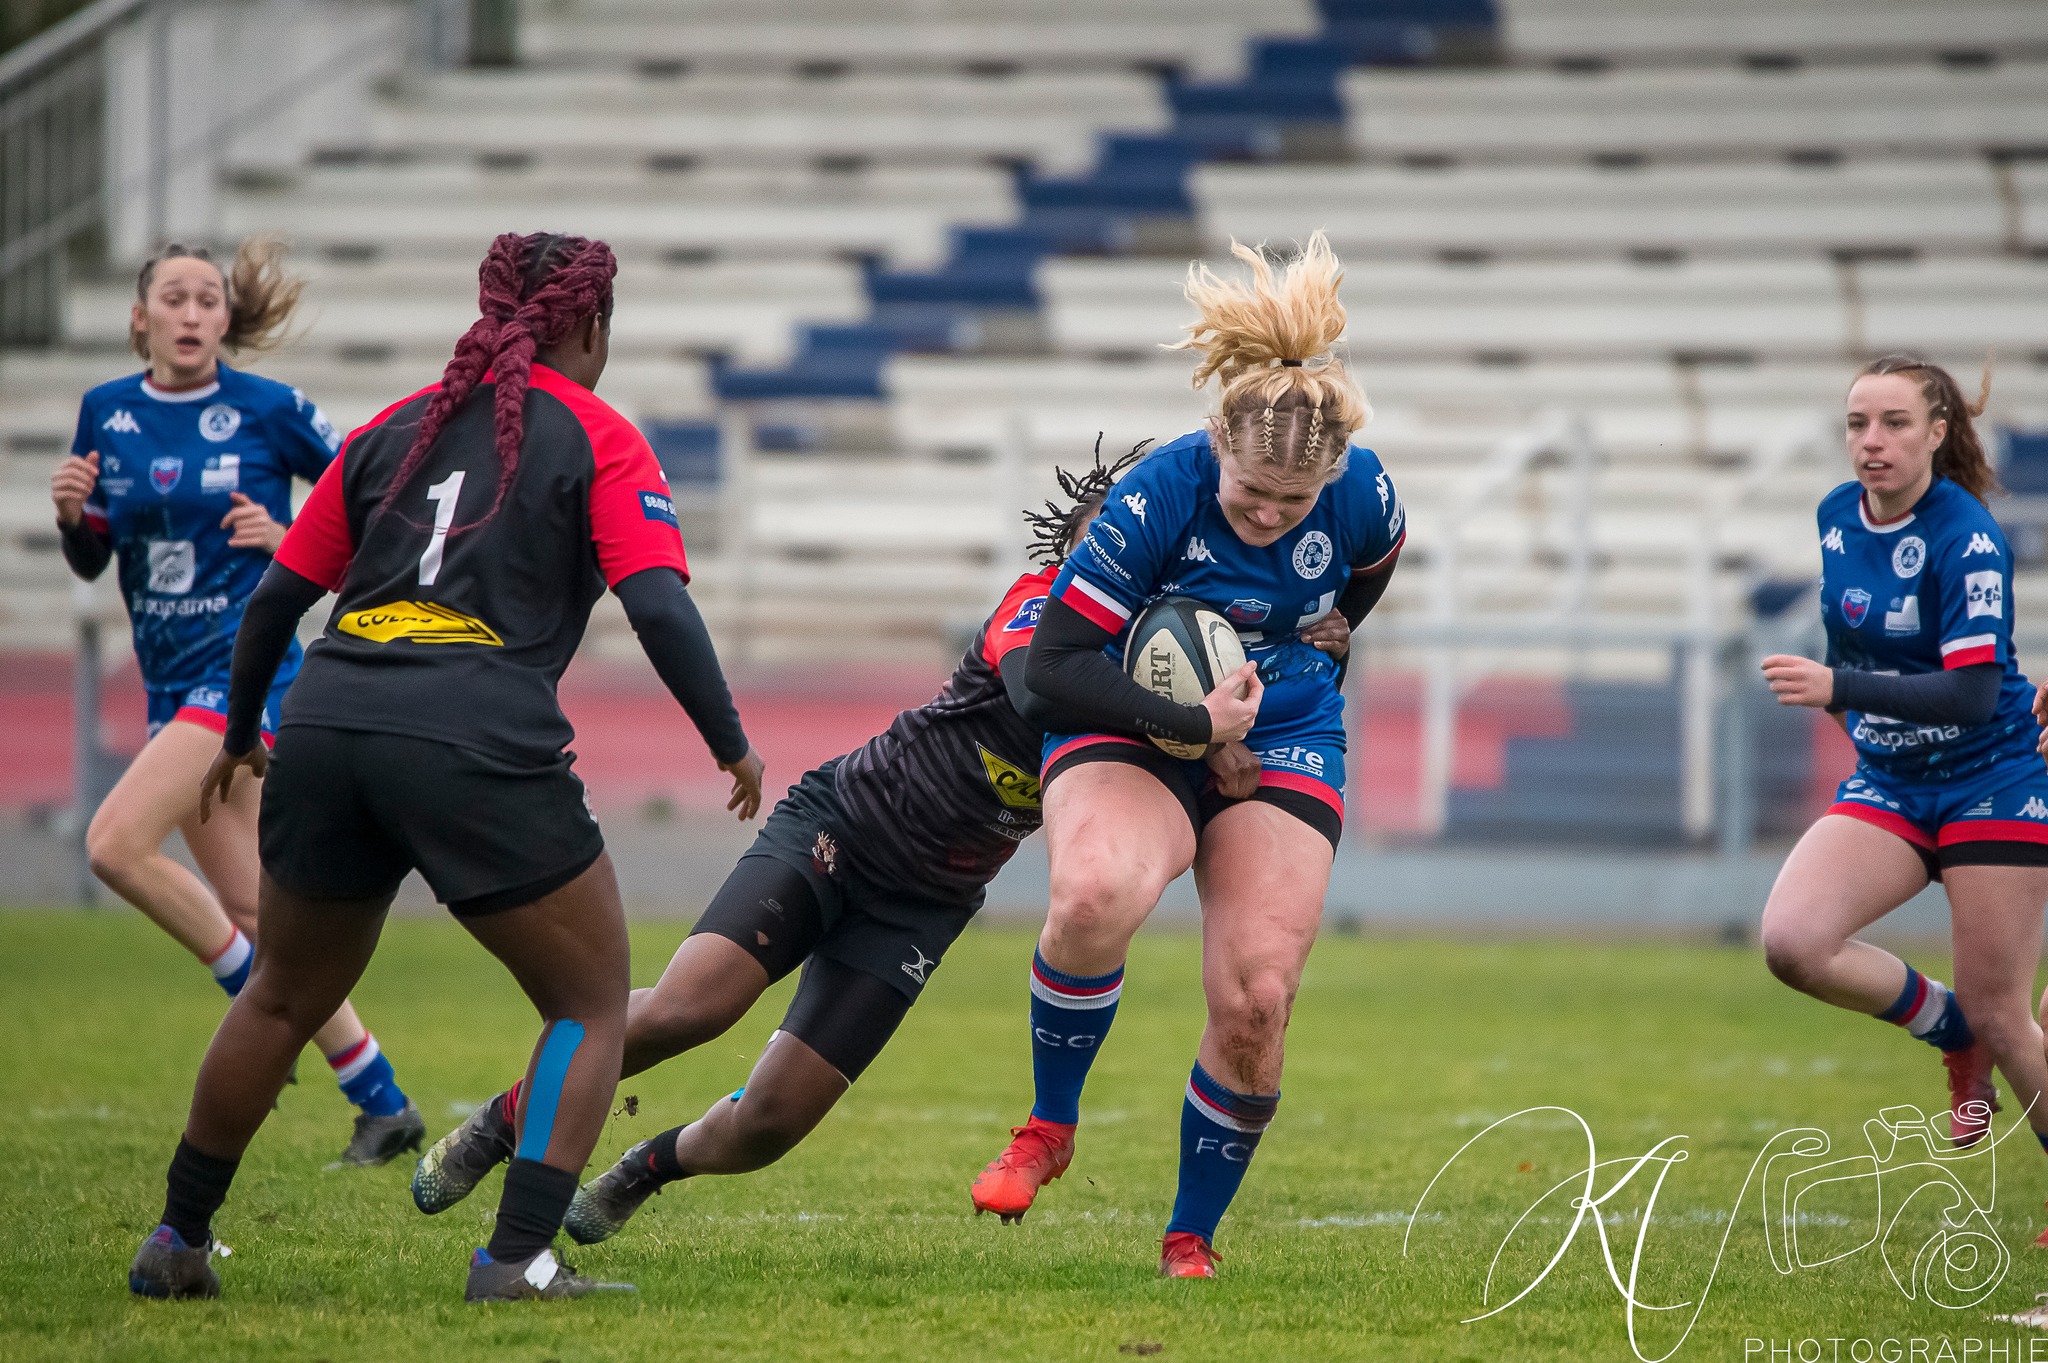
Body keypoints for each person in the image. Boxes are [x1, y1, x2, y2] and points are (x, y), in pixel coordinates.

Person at [124, 230, 765, 1303]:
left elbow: (276, 601)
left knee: (281, 995)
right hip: (473, 735)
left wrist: (240, 732)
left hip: (328, 721)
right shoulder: (600, 435)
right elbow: (657, 603)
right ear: (590, 324)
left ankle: (176, 1240)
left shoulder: (391, 427)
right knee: (589, 1002)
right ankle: (514, 1260)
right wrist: (729, 741)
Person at [406, 443, 1141, 1244]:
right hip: (846, 824)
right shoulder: (1037, 603)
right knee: (691, 1007)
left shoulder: (1146, 662)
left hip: (926, 904)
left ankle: (644, 1167)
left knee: (773, 1121)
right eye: (1092, 549)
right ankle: (501, 1121)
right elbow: (1037, 691)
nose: (1103, 569)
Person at [967, 232, 1404, 1279]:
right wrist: (1197, 730)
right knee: (1092, 895)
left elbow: (1369, 574)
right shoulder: (1157, 494)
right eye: (1251, 491)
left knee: (1258, 997)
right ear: (1217, 443)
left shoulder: (1364, 492)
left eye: (1293, 503)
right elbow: (1054, 668)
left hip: (1281, 727)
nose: (1268, 514)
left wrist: (1330, 637)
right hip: (1131, 719)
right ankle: (1049, 1125)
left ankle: (1188, 1236)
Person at [53, 237, 421, 1165]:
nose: (190, 313)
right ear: (140, 317)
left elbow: (380, 507)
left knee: (114, 845)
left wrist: (288, 533)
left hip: (245, 674)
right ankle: (382, 1101)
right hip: (169, 679)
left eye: (206, 299)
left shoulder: (268, 409)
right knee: (258, 910)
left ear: (225, 318)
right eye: (172, 298)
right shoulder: (105, 412)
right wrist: (71, 519)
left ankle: (252, 1005)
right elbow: (95, 559)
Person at [1759, 355, 2048, 1176]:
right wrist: (1858, 718)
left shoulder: (1968, 537)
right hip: (1893, 779)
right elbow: (1849, 640)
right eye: (1858, 424)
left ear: (1937, 433)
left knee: (2006, 1011)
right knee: (1793, 941)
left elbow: (1972, 693)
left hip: (1993, 777)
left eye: (1894, 423)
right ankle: (1951, 1029)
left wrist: (1838, 688)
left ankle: (1982, 1031)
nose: (1872, 441)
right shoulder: (1836, 514)